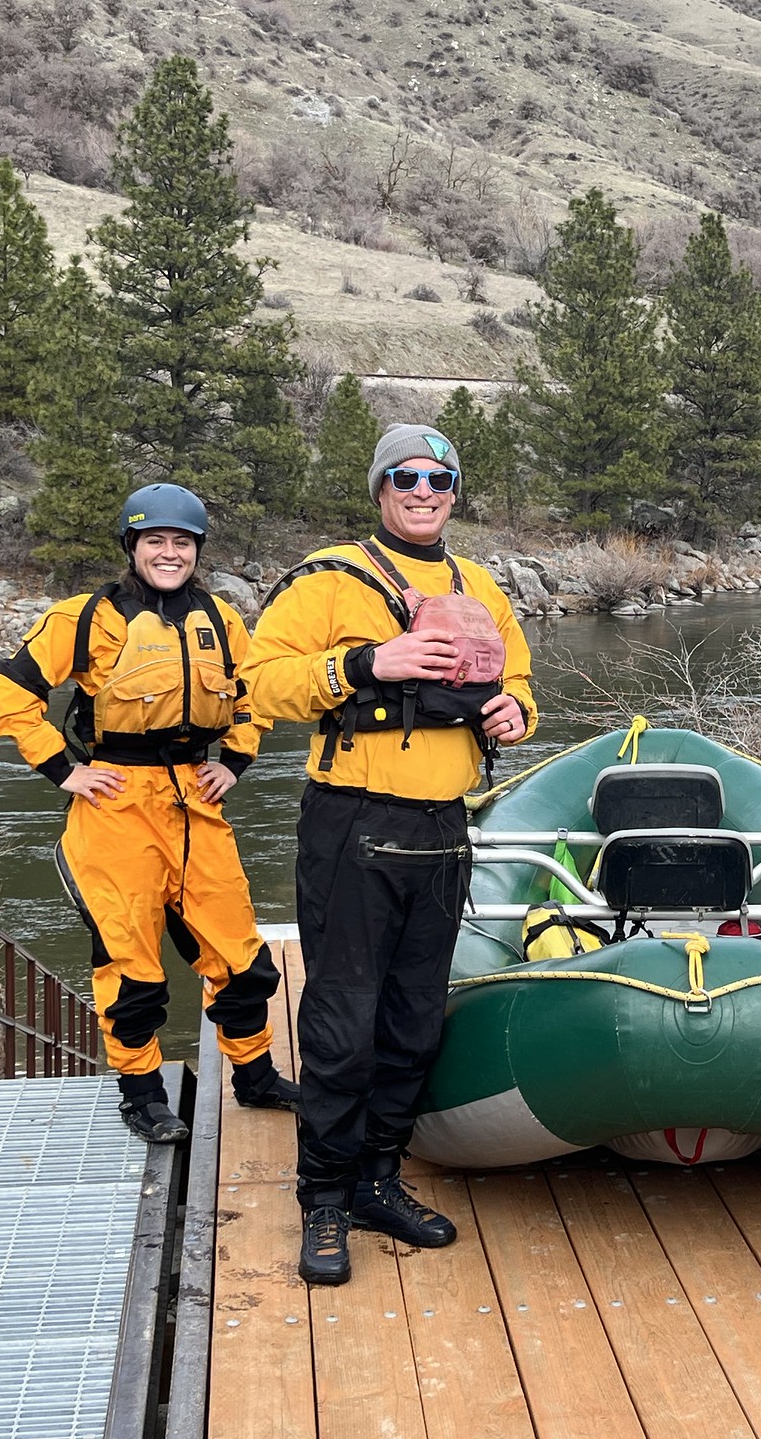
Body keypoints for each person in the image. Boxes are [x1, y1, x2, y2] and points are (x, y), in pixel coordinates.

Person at [245, 424, 536, 1287]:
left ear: (454, 490)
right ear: (380, 489)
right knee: (343, 1028)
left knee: (412, 1025)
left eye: (439, 478)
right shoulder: (329, 578)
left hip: (443, 828)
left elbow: (517, 678)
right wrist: (373, 660)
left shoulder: (480, 585)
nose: (424, 490)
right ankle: (324, 1201)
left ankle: (378, 1179)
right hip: (351, 822)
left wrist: (515, 712)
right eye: (406, 477)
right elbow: (259, 683)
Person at [0, 484, 300, 1144]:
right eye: (154, 540)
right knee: (133, 970)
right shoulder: (88, 617)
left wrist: (234, 761)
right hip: (116, 807)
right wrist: (64, 769)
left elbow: (253, 697)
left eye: (181, 542)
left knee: (244, 961)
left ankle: (255, 1076)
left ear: (197, 551)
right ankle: (142, 1094)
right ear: (132, 546)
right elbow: (9, 695)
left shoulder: (220, 618)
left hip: (196, 801)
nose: (168, 552)